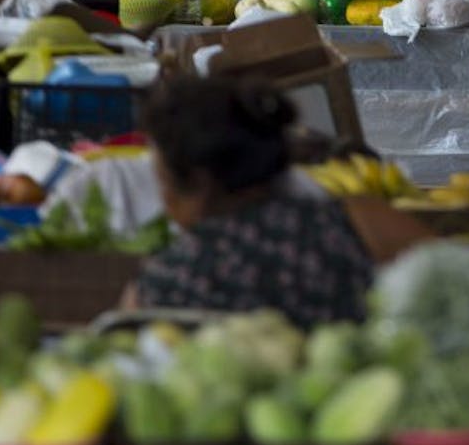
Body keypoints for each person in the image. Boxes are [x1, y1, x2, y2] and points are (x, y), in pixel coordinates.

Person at [130, 76, 375, 327]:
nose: (164, 198)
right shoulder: (351, 223)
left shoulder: (175, 275)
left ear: (199, 183)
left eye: (163, 182)